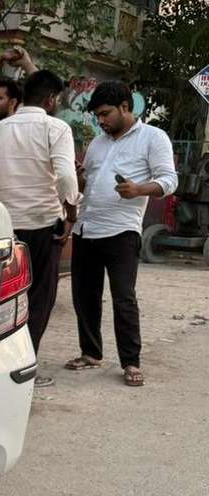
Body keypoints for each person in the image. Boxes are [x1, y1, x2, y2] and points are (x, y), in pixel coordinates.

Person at [0, 70, 80, 387]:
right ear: (51, 99)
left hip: (5, 228)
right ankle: (26, 366)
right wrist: (71, 212)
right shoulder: (56, 128)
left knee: (2, 298)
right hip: (45, 226)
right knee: (40, 299)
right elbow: (68, 179)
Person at [65, 81, 178, 387]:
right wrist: (79, 180)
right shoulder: (99, 143)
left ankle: (130, 362)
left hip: (121, 230)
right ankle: (90, 353)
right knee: (84, 296)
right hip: (86, 228)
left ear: (125, 108)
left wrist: (139, 189)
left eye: (105, 114)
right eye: (97, 116)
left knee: (123, 298)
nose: (100, 121)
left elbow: (169, 180)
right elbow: (87, 184)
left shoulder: (153, 138)